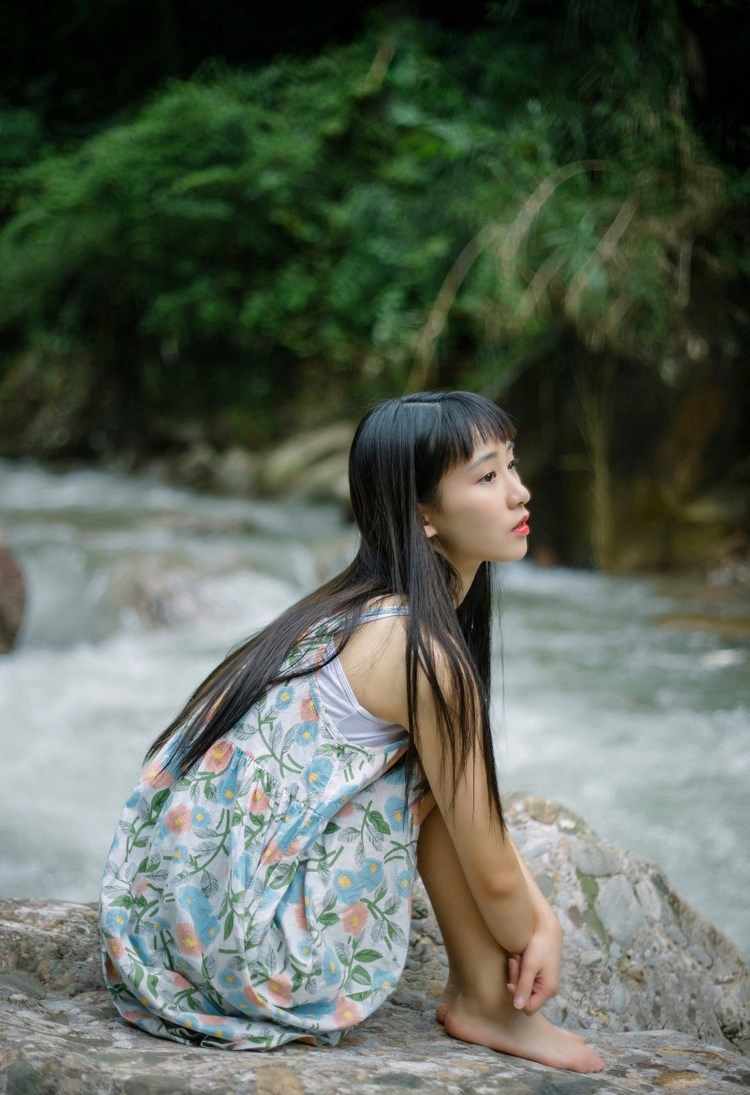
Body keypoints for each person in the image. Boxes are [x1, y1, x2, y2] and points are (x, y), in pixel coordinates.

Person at [99, 390, 604, 1073]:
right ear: (424, 514)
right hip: (248, 951)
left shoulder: (359, 607)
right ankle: (490, 1002)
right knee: (426, 782)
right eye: (487, 476)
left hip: (170, 913)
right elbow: (487, 860)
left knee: (426, 772)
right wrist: (538, 929)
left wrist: (535, 909)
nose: (520, 492)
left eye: (511, 465)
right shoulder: (419, 649)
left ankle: (481, 998)